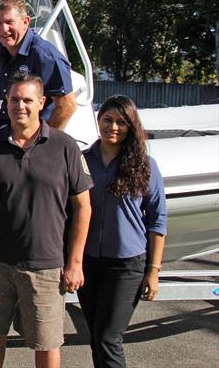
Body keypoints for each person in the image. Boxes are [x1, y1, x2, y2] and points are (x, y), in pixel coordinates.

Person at [0, 71, 92, 368]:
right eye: (13, 99)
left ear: (41, 103)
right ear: (5, 103)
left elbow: (83, 208)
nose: (19, 106)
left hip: (46, 264)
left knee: (46, 343)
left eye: (27, 100)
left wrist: (75, 262)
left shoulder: (64, 146)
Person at [77, 95, 167, 368]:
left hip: (127, 264)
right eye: (107, 120)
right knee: (96, 335)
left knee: (108, 338)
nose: (113, 127)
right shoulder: (82, 161)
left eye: (121, 122)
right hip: (89, 262)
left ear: (131, 126)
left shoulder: (146, 166)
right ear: (98, 120)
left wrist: (153, 271)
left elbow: (157, 220)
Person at [0, 0, 76, 149]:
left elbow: (67, 105)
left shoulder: (45, 56)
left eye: (9, 22)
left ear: (25, 22)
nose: (3, 29)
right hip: (4, 125)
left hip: (29, 135)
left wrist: (42, 144)